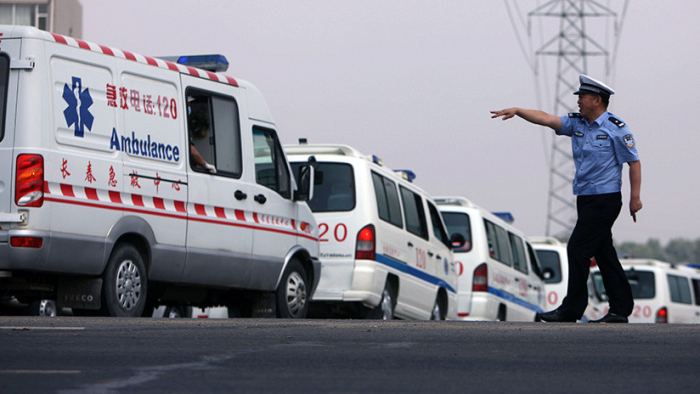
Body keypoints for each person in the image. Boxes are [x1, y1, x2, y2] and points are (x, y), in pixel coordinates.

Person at [490, 74, 642, 324]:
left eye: (582, 97)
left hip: (606, 199)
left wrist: (635, 198)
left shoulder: (616, 128)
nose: (578, 101)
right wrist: (518, 111)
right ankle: (620, 309)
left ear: (597, 100)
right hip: (585, 198)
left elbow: (634, 162)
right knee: (604, 253)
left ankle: (572, 309)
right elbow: (547, 119)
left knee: (577, 249)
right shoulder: (578, 124)